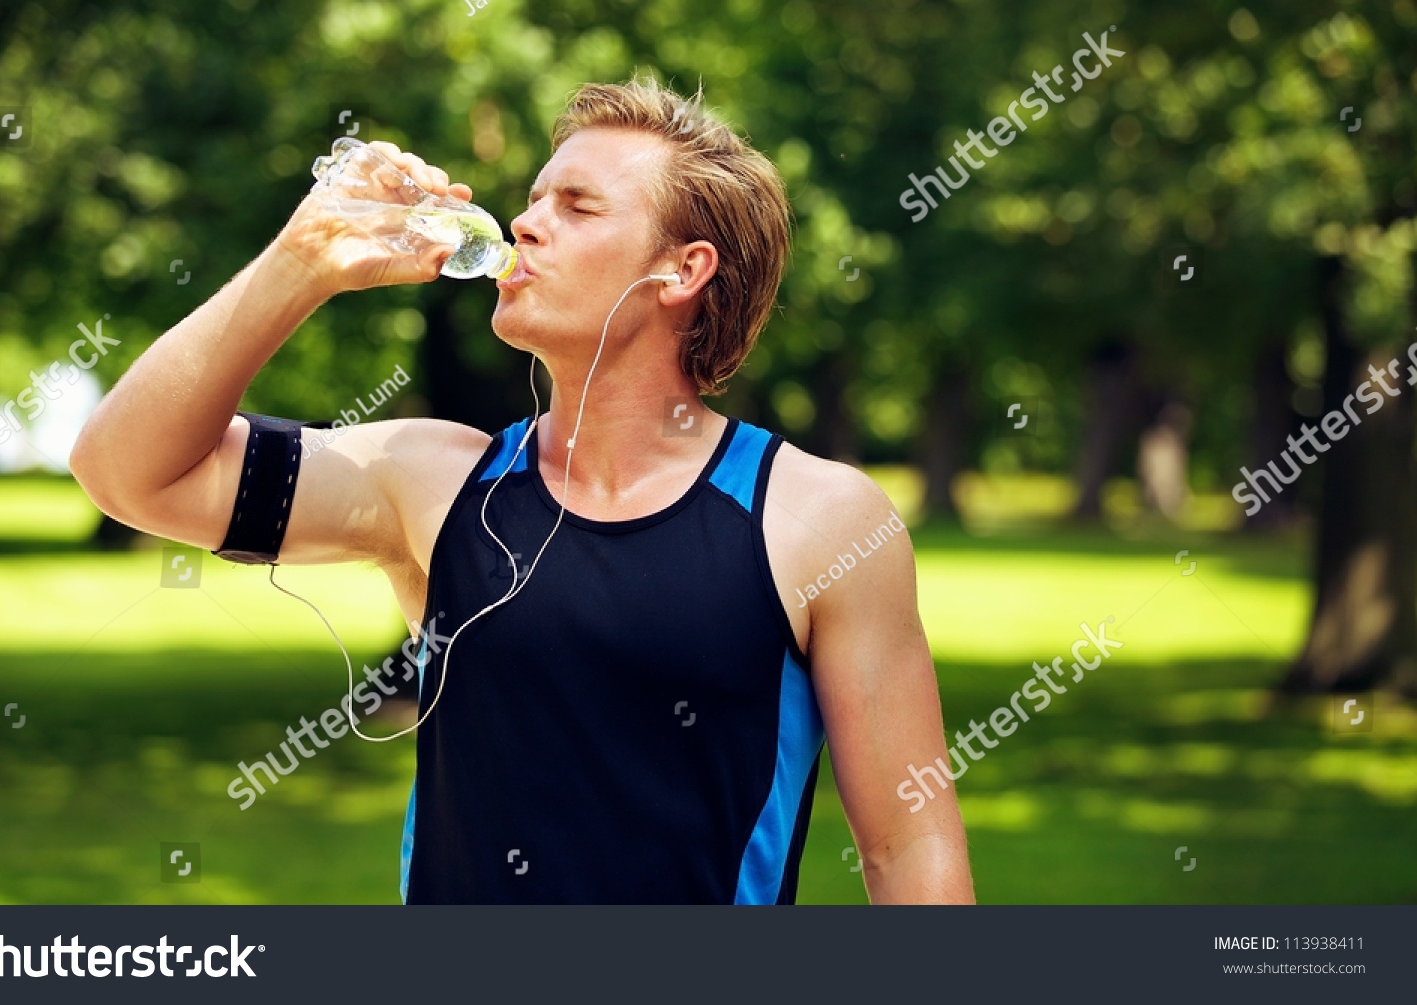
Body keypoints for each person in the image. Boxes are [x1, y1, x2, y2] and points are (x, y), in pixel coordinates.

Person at [69, 76, 974, 905]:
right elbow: (126, 470)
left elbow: (910, 853)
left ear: (682, 271)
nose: (526, 222)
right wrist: (303, 262)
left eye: (577, 205)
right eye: (535, 197)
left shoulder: (819, 521)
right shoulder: (432, 481)